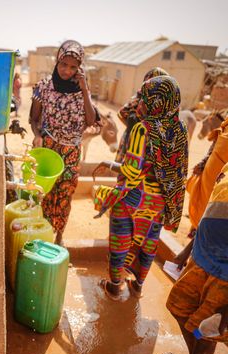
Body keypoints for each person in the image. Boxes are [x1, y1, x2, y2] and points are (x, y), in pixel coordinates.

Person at [92, 75, 188, 299]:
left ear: (156, 102)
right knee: (148, 245)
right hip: (160, 204)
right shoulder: (181, 129)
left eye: (145, 99)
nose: (141, 104)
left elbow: (132, 171)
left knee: (121, 241)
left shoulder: (143, 129)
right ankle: (138, 287)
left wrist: (110, 164)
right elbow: (179, 170)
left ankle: (115, 287)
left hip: (135, 199)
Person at [149, 164, 228, 354]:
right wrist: (187, 250)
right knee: (178, 306)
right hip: (202, 257)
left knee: (208, 330)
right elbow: (212, 210)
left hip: (224, 275)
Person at [30, 40, 100, 245]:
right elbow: (34, 118)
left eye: (73, 67)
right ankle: (41, 234)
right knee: (44, 192)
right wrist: (37, 135)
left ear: (79, 69)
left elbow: (91, 120)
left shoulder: (81, 92)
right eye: (63, 64)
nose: (67, 70)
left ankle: (59, 237)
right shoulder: (44, 87)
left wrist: (85, 90)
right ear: (57, 60)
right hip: (49, 148)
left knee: (65, 194)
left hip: (71, 152)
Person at [185, 116, 228, 237]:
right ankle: (195, 228)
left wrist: (202, 164)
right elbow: (213, 152)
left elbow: (212, 152)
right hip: (213, 176)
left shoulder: (223, 130)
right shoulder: (223, 130)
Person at [115, 67, 169, 163]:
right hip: (138, 146)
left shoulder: (141, 97)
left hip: (141, 145)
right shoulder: (144, 98)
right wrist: (135, 130)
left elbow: (121, 114)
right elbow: (121, 113)